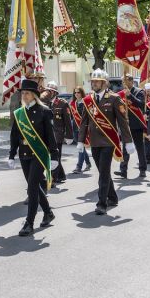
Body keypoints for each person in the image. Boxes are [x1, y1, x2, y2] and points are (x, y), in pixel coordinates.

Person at [77, 69, 133, 214]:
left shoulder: (114, 98)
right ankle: (113, 197)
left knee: (103, 173)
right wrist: (80, 140)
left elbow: (123, 122)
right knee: (103, 171)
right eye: (93, 81)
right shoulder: (88, 100)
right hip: (95, 142)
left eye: (97, 81)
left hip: (108, 141)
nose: (94, 83)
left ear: (104, 83)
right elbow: (84, 122)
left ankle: (102, 203)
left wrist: (128, 141)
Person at [8, 78, 59, 236]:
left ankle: (29, 222)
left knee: (31, 187)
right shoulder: (19, 113)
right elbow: (14, 135)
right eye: (23, 93)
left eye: (27, 93)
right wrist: (11, 154)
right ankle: (48, 213)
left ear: (34, 95)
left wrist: (54, 155)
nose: (24, 96)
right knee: (34, 186)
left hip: (39, 154)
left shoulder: (44, 111)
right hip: (24, 154)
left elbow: (50, 135)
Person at [41, 80, 74, 186]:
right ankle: (61, 175)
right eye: (47, 90)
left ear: (55, 92)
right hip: (46, 134)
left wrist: (69, 136)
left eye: (51, 91)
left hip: (57, 135)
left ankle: (53, 179)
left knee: (55, 156)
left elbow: (68, 121)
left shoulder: (62, 103)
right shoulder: (43, 102)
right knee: (53, 157)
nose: (48, 92)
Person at [117, 74, 149, 178]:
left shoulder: (139, 92)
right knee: (125, 148)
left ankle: (142, 169)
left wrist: (130, 95)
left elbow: (141, 104)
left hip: (136, 124)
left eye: (125, 81)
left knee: (140, 148)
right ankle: (123, 170)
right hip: (125, 125)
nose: (123, 84)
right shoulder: (120, 93)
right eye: (122, 82)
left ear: (131, 81)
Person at [69, 86, 92, 173]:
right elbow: (71, 117)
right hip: (75, 127)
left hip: (84, 128)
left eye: (78, 92)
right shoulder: (72, 104)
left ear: (82, 93)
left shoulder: (86, 102)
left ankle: (78, 167)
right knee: (81, 147)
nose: (76, 94)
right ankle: (88, 163)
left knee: (81, 147)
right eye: (75, 92)